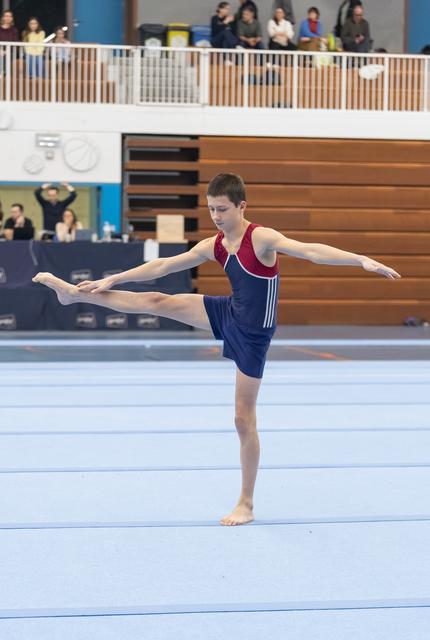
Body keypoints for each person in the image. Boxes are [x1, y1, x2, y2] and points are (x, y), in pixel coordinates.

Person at [32, 173, 401, 526]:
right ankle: (74, 295)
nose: (216, 217)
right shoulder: (216, 245)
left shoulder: (262, 238)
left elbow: (310, 251)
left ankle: (247, 502)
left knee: (242, 420)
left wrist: (359, 260)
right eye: (211, 209)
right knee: (157, 300)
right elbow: (164, 264)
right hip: (229, 312)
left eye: (222, 209)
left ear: (242, 206)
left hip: (255, 334)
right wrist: (116, 277)